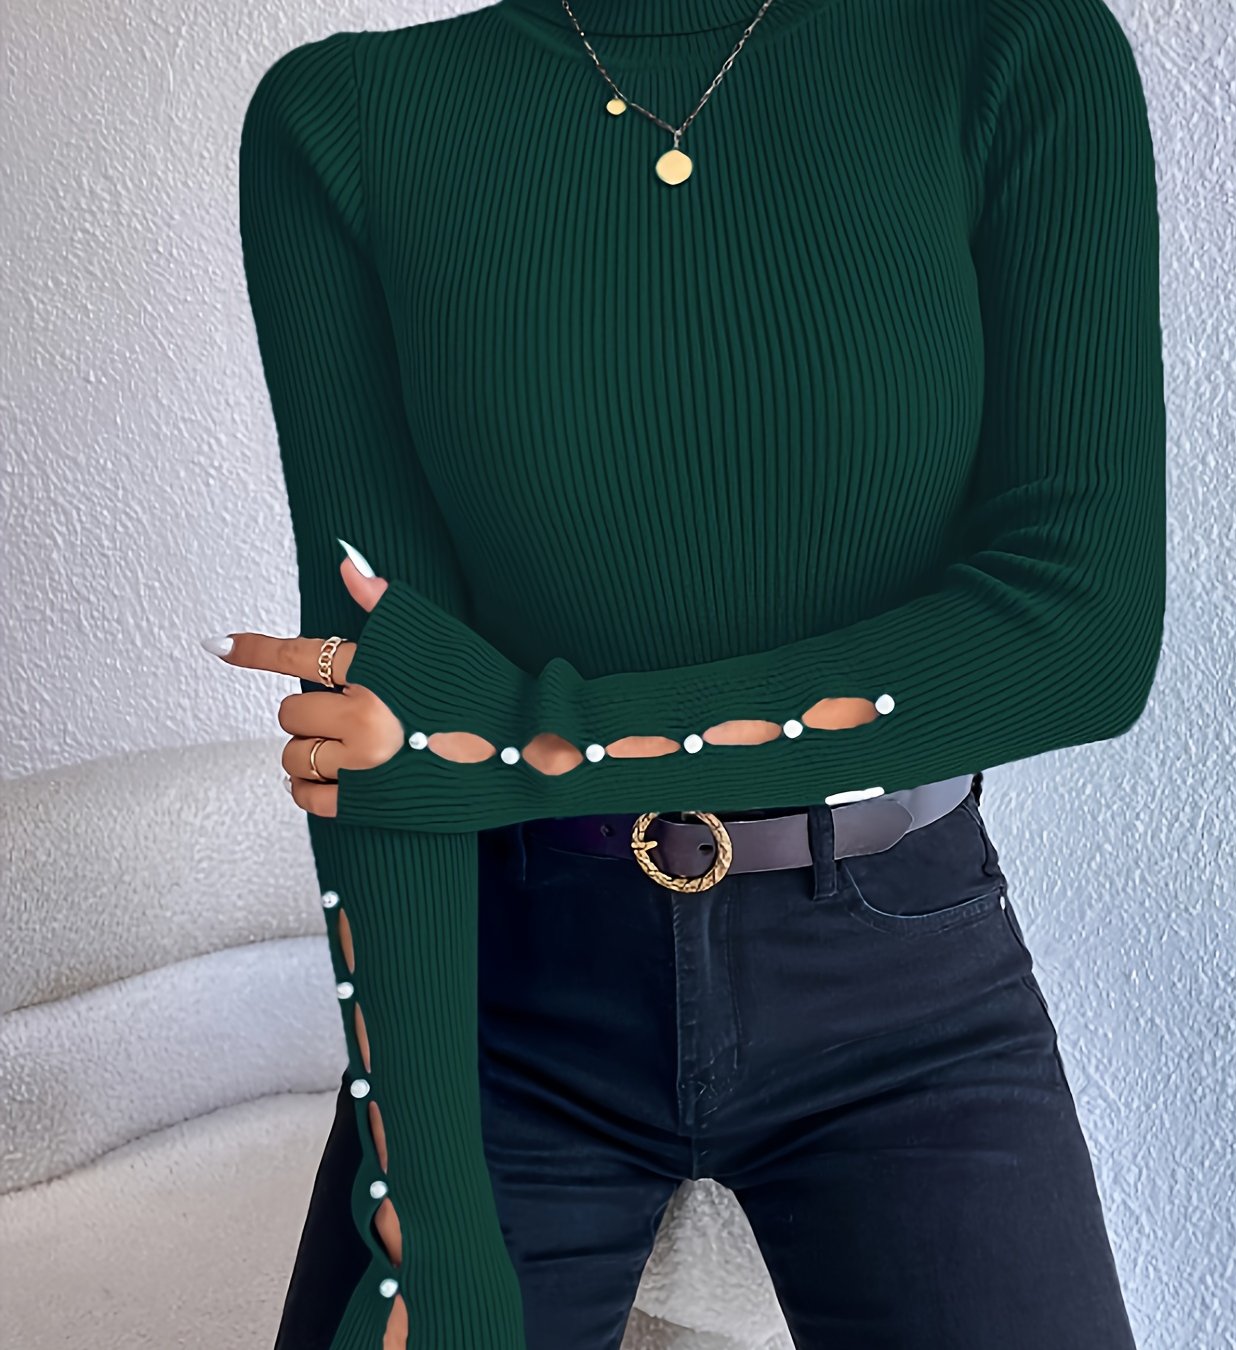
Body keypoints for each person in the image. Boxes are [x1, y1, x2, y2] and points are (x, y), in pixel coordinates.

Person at [222, 1, 1165, 1346]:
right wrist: (423, 1213)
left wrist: (537, 741)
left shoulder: (1006, 50)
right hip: (509, 991)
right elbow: (386, 716)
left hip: (899, 986)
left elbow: (1081, 634)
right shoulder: (347, 120)